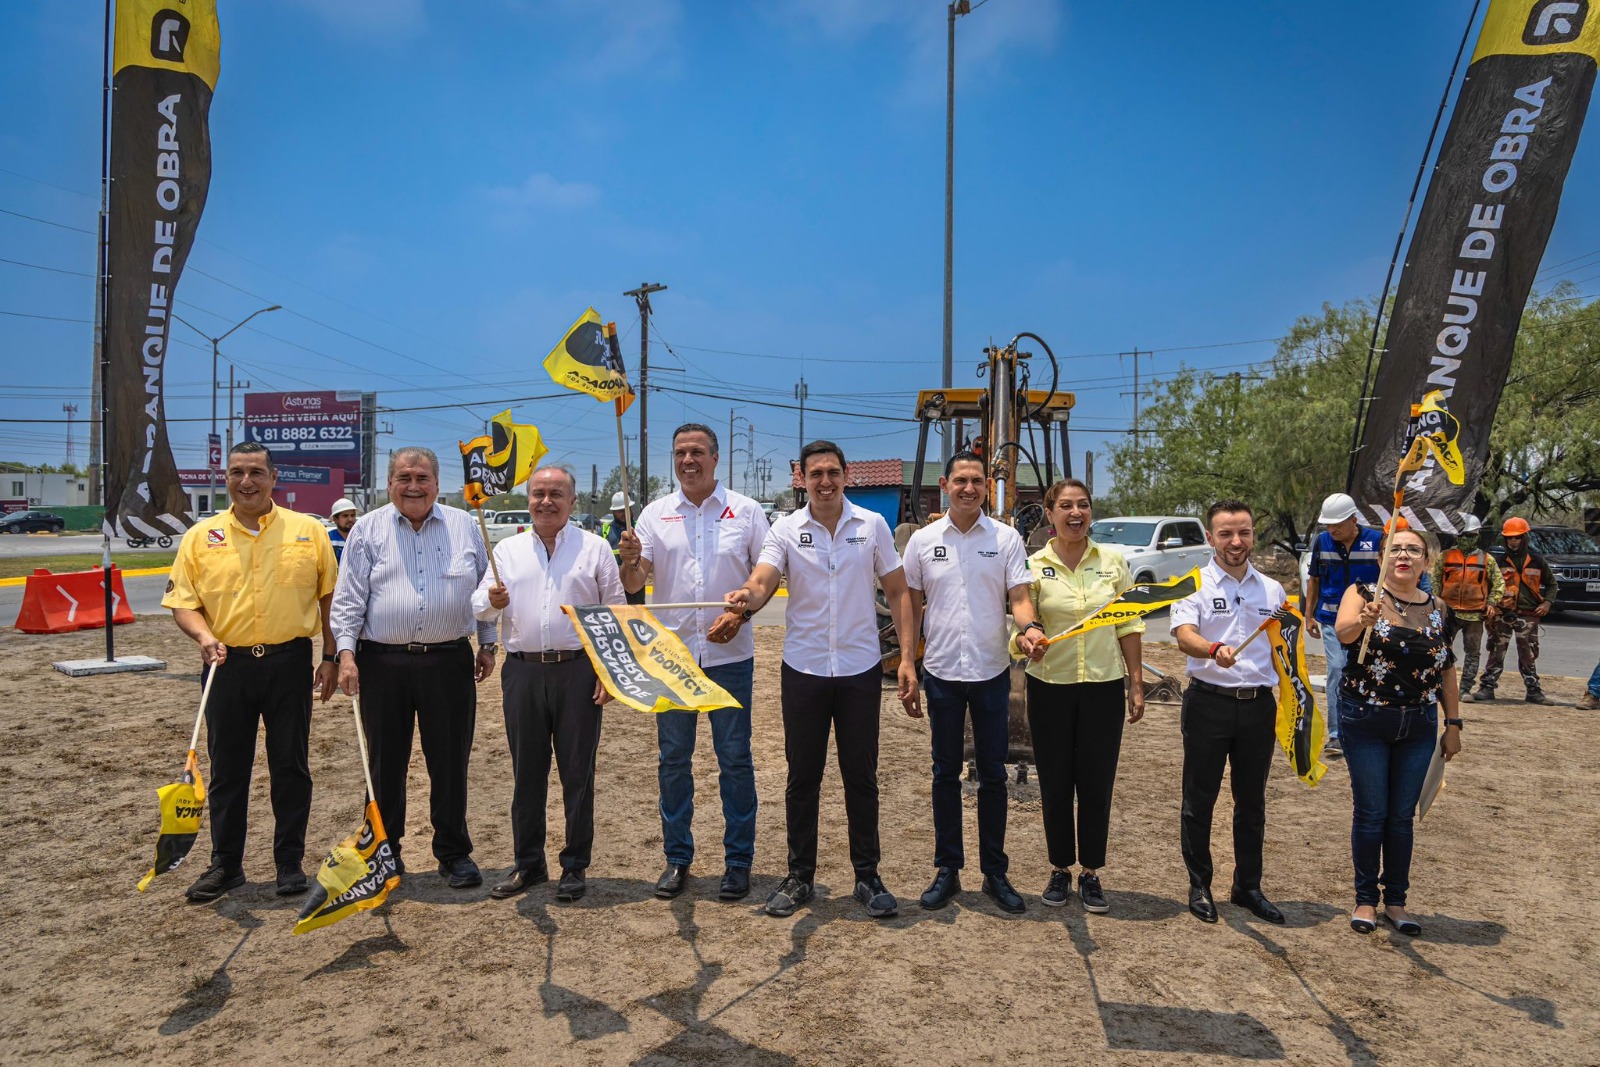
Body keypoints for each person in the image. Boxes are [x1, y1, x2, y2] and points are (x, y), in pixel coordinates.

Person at [725, 440, 918, 920]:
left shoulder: (871, 525)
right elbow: (764, 580)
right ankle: (799, 877)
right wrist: (746, 596)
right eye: (816, 474)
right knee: (802, 778)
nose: (825, 481)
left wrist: (908, 658)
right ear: (803, 480)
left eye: (833, 472)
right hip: (804, 670)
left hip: (859, 670)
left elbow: (898, 592)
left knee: (861, 777)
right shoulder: (786, 529)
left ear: (845, 476)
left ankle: (868, 876)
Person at [161, 442, 339, 902]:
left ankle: (289, 864)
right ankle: (226, 865)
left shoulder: (308, 531)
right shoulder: (201, 536)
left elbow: (329, 599)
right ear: (226, 478)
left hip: (289, 663)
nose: (247, 481)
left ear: (274, 478)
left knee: (291, 766)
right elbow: (183, 602)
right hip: (225, 666)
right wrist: (203, 637)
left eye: (257, 472)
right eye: (237, 472)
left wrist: (330, 656)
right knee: (227, 770)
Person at [329, 448, 497, 889]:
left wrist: (488, 644)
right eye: (404, 477)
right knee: (384, 763)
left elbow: (485, 589)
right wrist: (346, 654)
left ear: (437, 484)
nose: (414, 486)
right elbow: (348, 598)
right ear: (390, 484)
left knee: (450, 761)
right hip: (382, 663)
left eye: (422, 478)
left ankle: (454, 852)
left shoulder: (465, 526)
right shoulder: (367, 529)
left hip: (449, 662)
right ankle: (385, 852)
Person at [616, 423, 770, 903]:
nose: (688, 460)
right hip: (672, 659)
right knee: (673, 761)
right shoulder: (655, 514)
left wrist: (742, 612)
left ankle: (738, 862)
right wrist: (630, 560)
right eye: (681, 452)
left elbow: (766, 577)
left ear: (715, 458)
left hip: (730, 657)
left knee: (735, 759)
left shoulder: (745, 511)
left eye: (697, 451)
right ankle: (677, 858)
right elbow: (634, 582)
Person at [474, 466, 624, 903]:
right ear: (528, 500)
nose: (546, 501)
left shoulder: (595, 548)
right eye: (538, 493)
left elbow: (614, 612)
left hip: (578, 671)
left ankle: (574, 866)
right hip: (523, 672)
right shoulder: (507, 550)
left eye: (556, 493)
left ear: (572, 502)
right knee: (527, 773)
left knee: (578, 773)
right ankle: (528, 864)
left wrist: (608, 671)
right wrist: (491, 601)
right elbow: (479, 606)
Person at [901, 451, 1035, 915]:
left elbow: (1019, 596)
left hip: (991, 671)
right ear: (945, 485)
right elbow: (909, 605)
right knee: (945, 772)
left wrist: (1030, 628)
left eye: (977, 480)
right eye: (961, 480)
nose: (969, 488)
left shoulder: (1006, 538)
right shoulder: (922, 541)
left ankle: (995, 871)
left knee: (993, 773)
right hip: (941, 672)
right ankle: (947, 869)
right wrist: (907, 661)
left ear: (986, 488)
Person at [1011, 478, 1144, 914]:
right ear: (1049, 514)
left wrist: (1136, 682)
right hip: (1050, 687)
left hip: (1103, 687)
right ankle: (1059, 868)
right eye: (1065, 505)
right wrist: (1027, 641)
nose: (1075, 513)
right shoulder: (1033, 566)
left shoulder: (1113, 562)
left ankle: (1090, 872)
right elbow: (1019, 628)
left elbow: (1129, 625)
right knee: (1055, 781)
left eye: (1083, 505)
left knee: (1096, 782)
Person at [1334, 525, 1462, 935]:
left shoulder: (1440, 609)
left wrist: (1453, 723)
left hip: (1419, 723)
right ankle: (1365, 900)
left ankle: (1396, 901)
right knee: (1372, 813)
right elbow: (1343, 633)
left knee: (1402, 817)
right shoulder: (1363, 594)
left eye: (1413, 550)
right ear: (1381, 558)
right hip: (1366, 719)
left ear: (1427, 562)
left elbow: (1446, 668)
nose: (1403, 555)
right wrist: (1363, 620)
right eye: (1395, 549)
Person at [1169, 500, 1288, 925]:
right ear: (1210, 538)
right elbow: (1184, 636)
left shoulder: (1273, 591)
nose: (1236, 542)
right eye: (1226, 534)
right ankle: (1199, 884)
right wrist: (1213, 648)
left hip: (1258, 707)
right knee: (1198, 800)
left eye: (1244, 533)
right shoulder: (1192, 584)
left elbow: (1284, 648)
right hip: (1208, 703)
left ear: (1253, 535)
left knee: (1251, 802)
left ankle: (1248, 887)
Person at [1303, 493, 1382, 757]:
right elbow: (1314, 579)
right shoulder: (1322, 541)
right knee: (1337, 669)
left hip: (1369, 622)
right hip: (1331, 620)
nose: (1332, 529)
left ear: (1353, 520)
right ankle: (1336, 734)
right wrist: (1308, 614)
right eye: (1328, 524)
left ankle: (1366, 730)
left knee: (1369, 672)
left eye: (1337, 524)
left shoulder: (1377, 541)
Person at [1477, 516, 1557, 704]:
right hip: (1502, 613)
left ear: (1525, 538)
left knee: (1528, 654)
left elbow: (1552, 584)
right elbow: (1486, 586)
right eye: (1509, 538)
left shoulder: (1537, 560)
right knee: (1496, 651)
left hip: (1528, 615)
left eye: (1517, 537)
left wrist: (1547, 603)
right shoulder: (1498, 561)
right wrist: (1489, 607)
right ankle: (1487, 688)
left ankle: (1533, 691)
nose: (1513, 541)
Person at [1429, 516, 1503, 703]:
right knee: (1441, 649)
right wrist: (1435, 604)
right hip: (1449, 613)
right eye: (1462, 535)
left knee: (1473, 653)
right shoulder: (1445, 556)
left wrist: (1492, 602)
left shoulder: (1486, 559)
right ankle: (1437, 686)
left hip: (1475, 615)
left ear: (1477, 536)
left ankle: (1464, 689)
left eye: (1470, 535)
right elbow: (1435, 581)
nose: (1465, 539)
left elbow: (1499, 583)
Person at [600, 491, 646, 606]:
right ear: (613, 512)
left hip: (635, 584)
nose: (624, 513)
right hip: (613, 586)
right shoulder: (605, 530)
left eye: (627, 509)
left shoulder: (639, 528)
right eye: (620, 511)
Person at [328, 498, 360, 564]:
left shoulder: (362, 537)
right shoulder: (328, 538)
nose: (350, 519)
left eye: (352, 515)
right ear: (335, 519)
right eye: (345, 516)